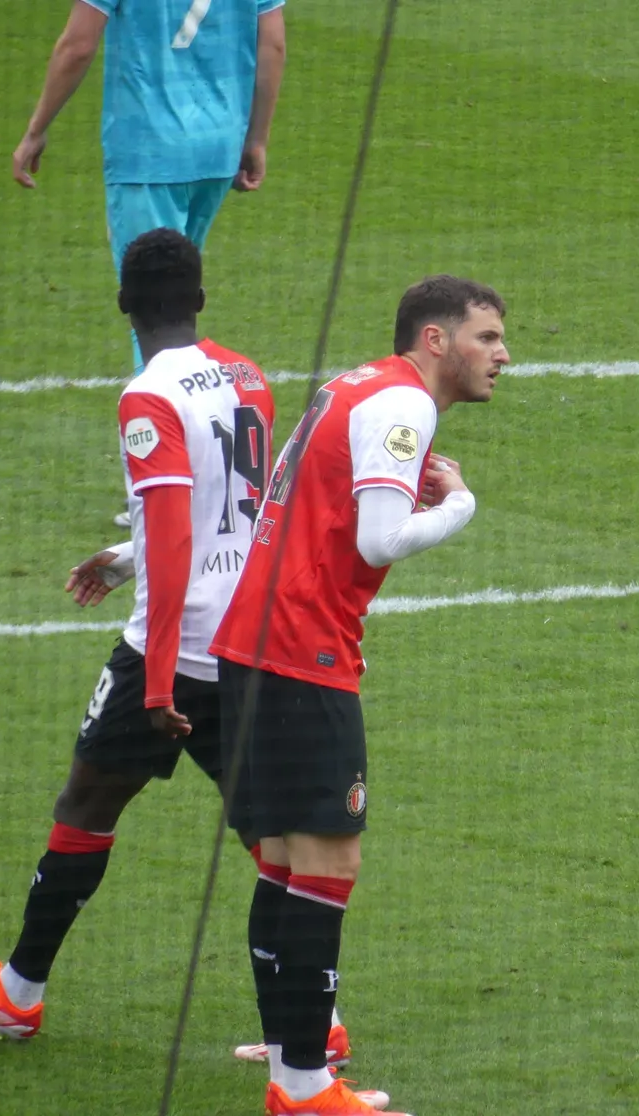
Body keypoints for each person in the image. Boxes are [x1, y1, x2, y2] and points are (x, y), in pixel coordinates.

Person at [0, 228, 286, 1052]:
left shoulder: (147, 399)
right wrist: (124, 557)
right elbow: (240, 509)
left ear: (125, 305)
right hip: (251, 639)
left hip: (178, 647)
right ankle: (315, 1028)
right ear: (199, 296)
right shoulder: (249, 376)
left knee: (87, 801)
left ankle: (18, 992)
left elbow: (177, 535)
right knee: (274, 832)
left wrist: (155, 683)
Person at [210, 275, 509, 1116]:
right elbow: (380, 537)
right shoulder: (405, 410)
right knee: (327, 863)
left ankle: (290, 1058)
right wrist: (462, 507)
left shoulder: (355, 383)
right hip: (301, 652)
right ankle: (305, 1088)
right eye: (486, 337)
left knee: (281, 864)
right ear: (435, 340)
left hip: (252, 642)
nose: (503, 354)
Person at [10, 0, 287, 525]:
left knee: (153, 317)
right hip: (216, 149)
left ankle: (157, 485)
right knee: (178, 309)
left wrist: (36, 128)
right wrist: (255, 138)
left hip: (148, 152)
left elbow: (78, 44)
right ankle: (198, 468)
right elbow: (271, 43)